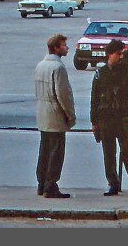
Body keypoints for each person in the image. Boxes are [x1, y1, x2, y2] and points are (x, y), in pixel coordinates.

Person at [90, 40, 128, 199]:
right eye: (118, 53)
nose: (121, 56)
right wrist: (94, 122)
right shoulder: (101, 74)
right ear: (110, 54)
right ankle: (112, 183)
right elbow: (94, 100)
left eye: (123, 53)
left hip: (124, 119)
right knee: (109, 154)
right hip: (106, 119)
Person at [35, 33, 76, 199]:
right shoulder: (58, 68)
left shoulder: (40, 65)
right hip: (55, 114)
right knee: (56, 152)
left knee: (44, 150)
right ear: (56, 48)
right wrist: (70, 115)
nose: (67, 48)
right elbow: (63, 94)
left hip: (42, 113)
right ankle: (51, 186)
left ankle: (41, 183)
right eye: (64, 45)